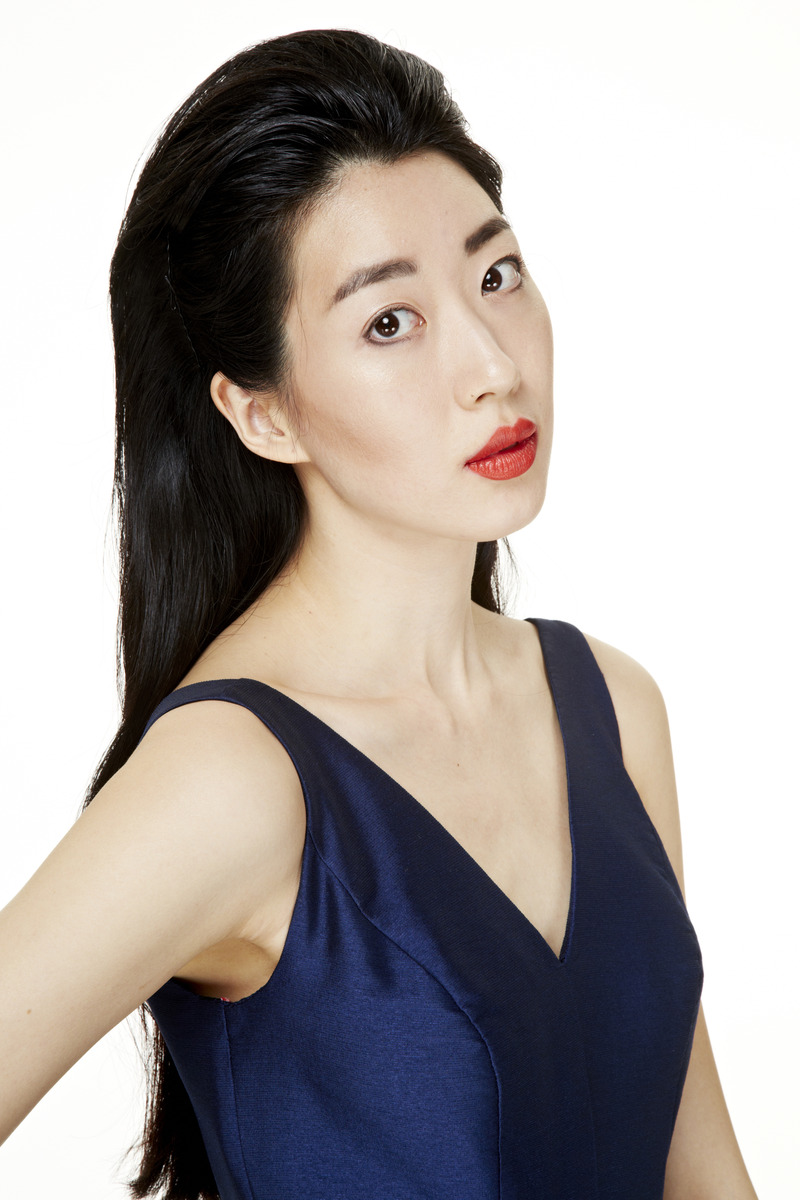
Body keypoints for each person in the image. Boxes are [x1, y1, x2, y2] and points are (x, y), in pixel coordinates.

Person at [0, 28, 758, 1200]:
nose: (491, 365)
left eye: (494, 275)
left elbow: (700, 1177)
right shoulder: (233, 779)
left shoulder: (614, 709)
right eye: (387, 322)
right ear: (260, 415)